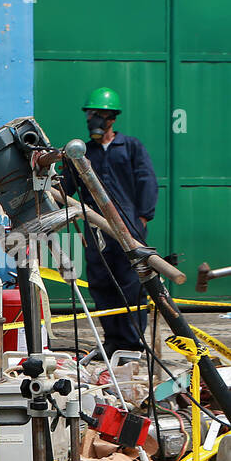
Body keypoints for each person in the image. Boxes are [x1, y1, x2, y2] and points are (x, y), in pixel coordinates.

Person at [60, 86, 158, 357]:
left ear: (112, 118)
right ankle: (114, 339)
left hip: (128, 227)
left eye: (99, 115)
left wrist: (142, 217)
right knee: (102, 284)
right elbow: (64, 188)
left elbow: (146, 180)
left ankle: (133, 344)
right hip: (95, 229)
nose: (93, 120)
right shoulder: (81, 153)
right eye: (91, 114)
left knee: (131, 284)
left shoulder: (131, 147)